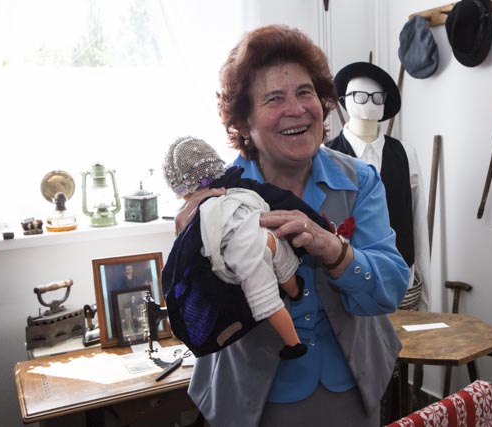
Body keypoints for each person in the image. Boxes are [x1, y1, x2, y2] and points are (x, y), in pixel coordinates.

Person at [174, 25, 409, 427]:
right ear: (243, 122)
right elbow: (199, 313)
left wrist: (336, 251)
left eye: (305, 92)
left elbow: (390, 288)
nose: (297, 109)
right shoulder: (218, 201)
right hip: (253, 399)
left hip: (352, 387)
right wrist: (191, 253)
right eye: (274, 98)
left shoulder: (360, 181)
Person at [163, 136, 330, 360]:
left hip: (250, 254)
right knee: (285, 269)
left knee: (269, 304)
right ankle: (294, 289)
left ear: (182, 192)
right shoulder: (243, 184)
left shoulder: (197, 216)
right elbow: (284, 199)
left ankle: (293, 344)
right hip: (271, 237)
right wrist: (321, 227)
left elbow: (184, 272)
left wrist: (181, 243)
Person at [326, 62, 431, 310]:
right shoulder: (326, 156)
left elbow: (418, 224)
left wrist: (426, 298)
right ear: (345, 100)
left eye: (376, 96)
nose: (369, 103)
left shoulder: (405, 154)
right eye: (360, 95)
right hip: (344, 284)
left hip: (400, 282)